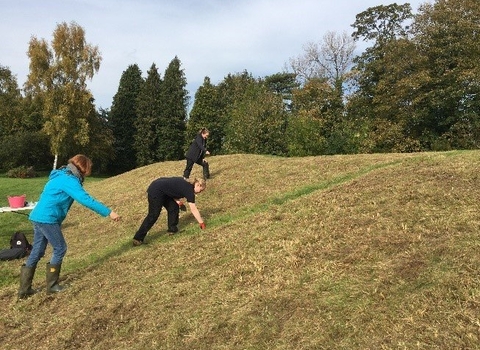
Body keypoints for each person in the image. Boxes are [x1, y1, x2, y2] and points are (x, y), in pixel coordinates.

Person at [18, 154, 120, 299]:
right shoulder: (69, 180)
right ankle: (52, 286)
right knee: (60, 248)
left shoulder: (60, 175)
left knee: (37, 251)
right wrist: (109, 212)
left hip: (37, 217)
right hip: (48, 219)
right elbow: (86, 200)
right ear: (83, 168)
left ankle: (24, 290)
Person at [132, 177, 207, 246]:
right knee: (153, 215)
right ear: (197, 185)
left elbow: (171, 190)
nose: (201, 192)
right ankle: (138, 239)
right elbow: (193, 209)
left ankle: (172, 230)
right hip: (155, 191)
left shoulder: (186, 185)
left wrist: (178, 202)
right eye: (201, 189)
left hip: (161, 189)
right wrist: (201, 223)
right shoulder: (189, 191)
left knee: (173, 207)